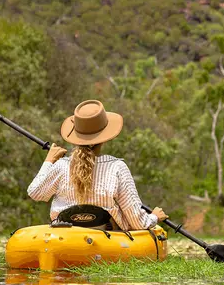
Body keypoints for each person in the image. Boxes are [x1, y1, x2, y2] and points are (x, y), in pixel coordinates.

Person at [27, 99, 167, 230]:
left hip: (64, 237)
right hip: (106, 238)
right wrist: (154, 216)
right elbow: (137, 223)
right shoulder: (117, 167)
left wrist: (49, 160)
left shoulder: (61, 166)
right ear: (104, 137)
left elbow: (35, 193)